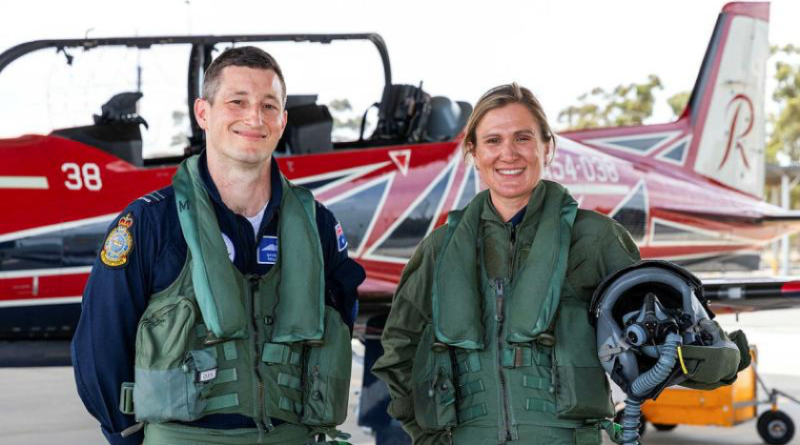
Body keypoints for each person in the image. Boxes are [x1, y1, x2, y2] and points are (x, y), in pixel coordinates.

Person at [371, 83, 747, 445]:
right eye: (492, 141)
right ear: (473, 152)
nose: (509, 153)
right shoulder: (440, 247)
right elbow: (401, 345)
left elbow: (669, 339)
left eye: (523, 138)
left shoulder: (596, 238)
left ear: (546, 148)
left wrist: (717, 359)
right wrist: (426, 435)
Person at [72, 46, 365, 445]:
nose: (253, 117)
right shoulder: (150, 224)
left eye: (268, 105)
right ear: (203, 113)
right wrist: (128, 436)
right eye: (237, 102)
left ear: (282, 121)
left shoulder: (317, 224)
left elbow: (340, 319)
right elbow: (101, 344)